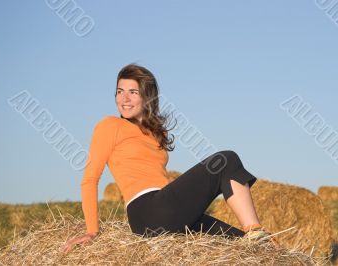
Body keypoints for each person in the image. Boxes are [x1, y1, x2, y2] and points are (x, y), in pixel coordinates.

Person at [61, 63, 272, 253]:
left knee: (241, 246)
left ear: (147, 97)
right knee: (226, 160)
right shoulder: (109, 125)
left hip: (167, 211)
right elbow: (90, 179)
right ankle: (256, 231)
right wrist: (92, 231)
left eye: (132, 92)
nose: (124, 98)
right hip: (147, 211)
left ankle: (256, 242)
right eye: (120, 91)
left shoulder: (156, 134)